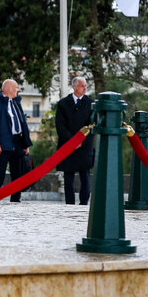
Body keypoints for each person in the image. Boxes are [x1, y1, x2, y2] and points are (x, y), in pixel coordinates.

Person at [0, 79, 32, 202]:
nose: (18, 90)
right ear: (9, 89)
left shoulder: (16, 102)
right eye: (16, 88)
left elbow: (22, 123)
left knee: (18, 174)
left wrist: (25, 143)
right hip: (2, 143)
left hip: (17, 142)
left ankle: (15, 200)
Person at [55, 76, 96, 205]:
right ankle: (69, 204)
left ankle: (84, 203)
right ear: (74, 87)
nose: (85, 88)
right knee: (68, 176)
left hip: (85, 146)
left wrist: (81, 141)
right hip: (67, 145)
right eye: (82, 85)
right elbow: (60, 125)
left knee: (85, 175)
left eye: (85, 85)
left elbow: (93, 125)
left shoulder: (91, 104)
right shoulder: (63, 104)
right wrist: (72, 141)